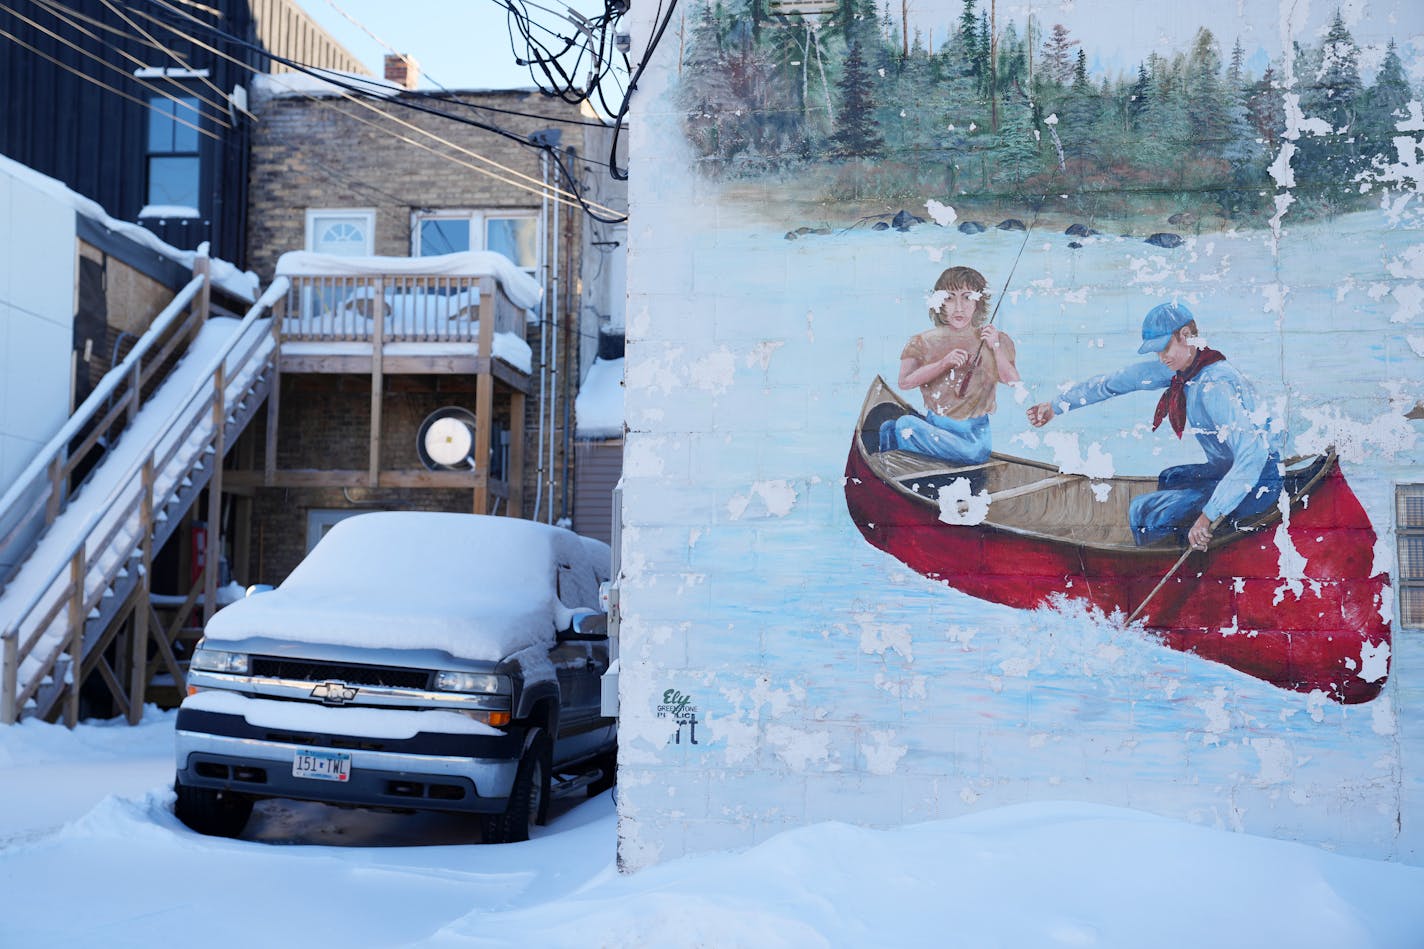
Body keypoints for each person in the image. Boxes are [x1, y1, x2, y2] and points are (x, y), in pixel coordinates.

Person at [1026, 301, 1283, 549]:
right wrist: (1056, 406)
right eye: (1156, 351)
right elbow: (1114, 383)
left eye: (1164, 348)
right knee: (1171, 478)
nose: (1161, 358)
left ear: (1185, 335)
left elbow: (1253, 454)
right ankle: (1180, 538)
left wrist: (1207, 517)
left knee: (1144, 510)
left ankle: (1163, 567)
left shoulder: (1213, 385)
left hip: (1258, 482)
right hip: (1230, 470)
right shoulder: (1185, 369)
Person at [879, 266, 1020, 465]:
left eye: (967, 297)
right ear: (940, 303)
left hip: (972, 444)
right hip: (935, 430)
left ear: (978, 302)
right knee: (889, 427)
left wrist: (995, 347)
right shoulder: (922, 341)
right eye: (950, 298)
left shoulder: (993, 339)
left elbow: (1013, 381)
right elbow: (905, 382)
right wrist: (943, 364)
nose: (959, 307)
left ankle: (897, 463)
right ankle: (891, 467)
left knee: (903, 425)